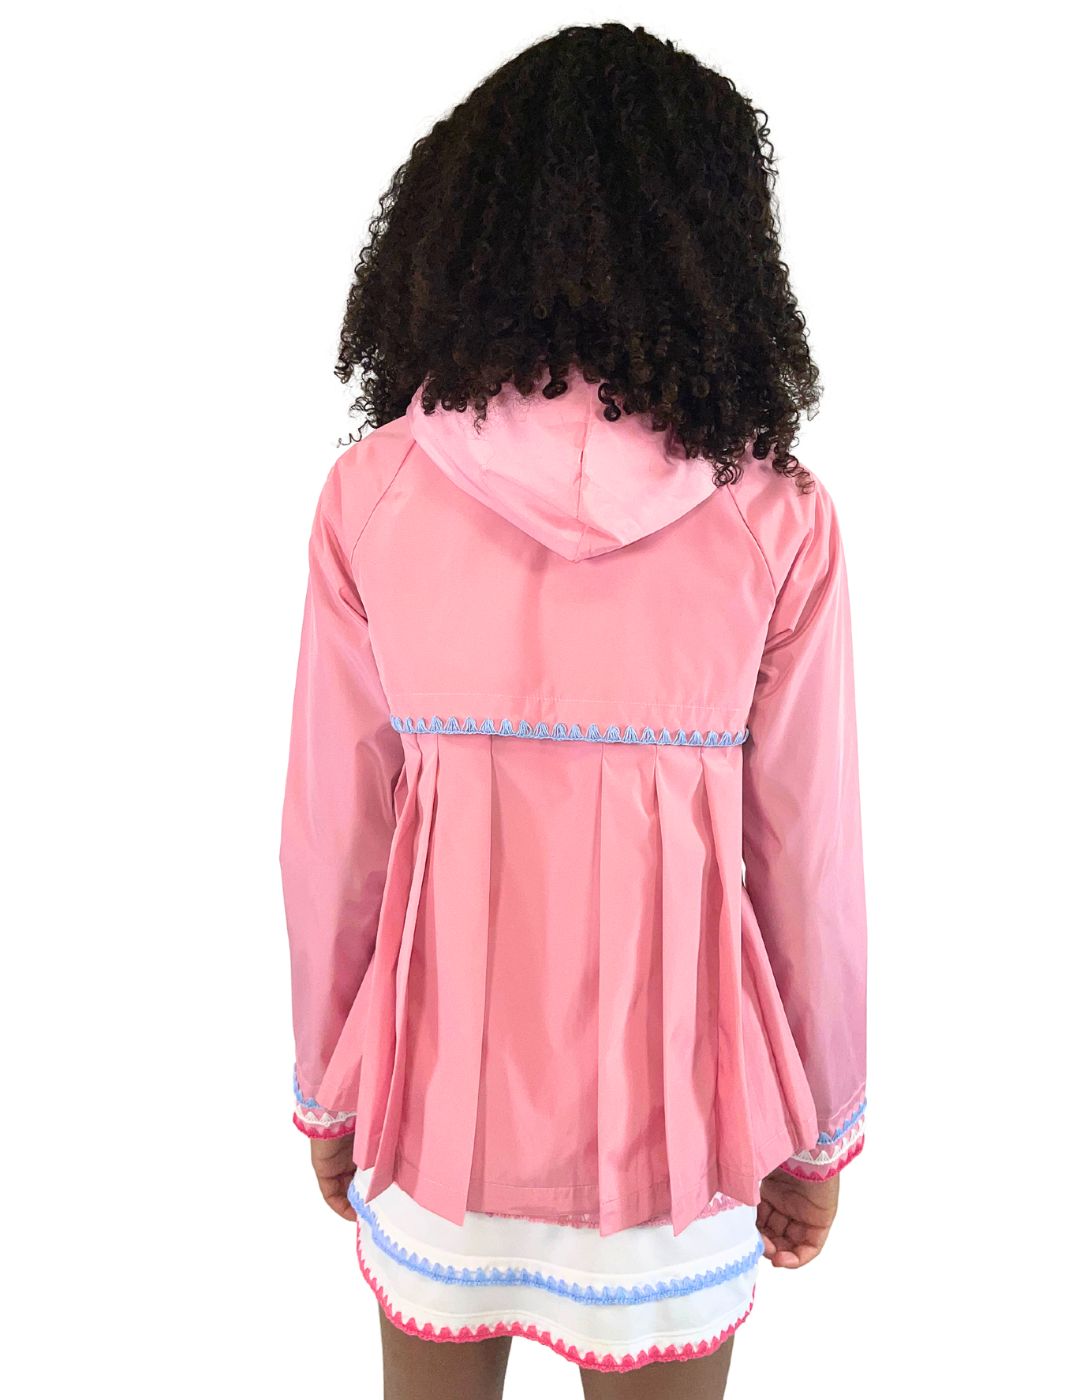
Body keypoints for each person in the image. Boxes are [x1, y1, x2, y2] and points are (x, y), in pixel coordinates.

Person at [279, 22, 867, 1399]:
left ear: (465, 231)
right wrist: (818, 1128)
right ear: (716, 243)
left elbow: (330, 834)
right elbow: (808, 854)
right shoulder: (776, 519)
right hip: (682, 1129)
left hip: (436, 1108)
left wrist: (330, 1083)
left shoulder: (374, 496)